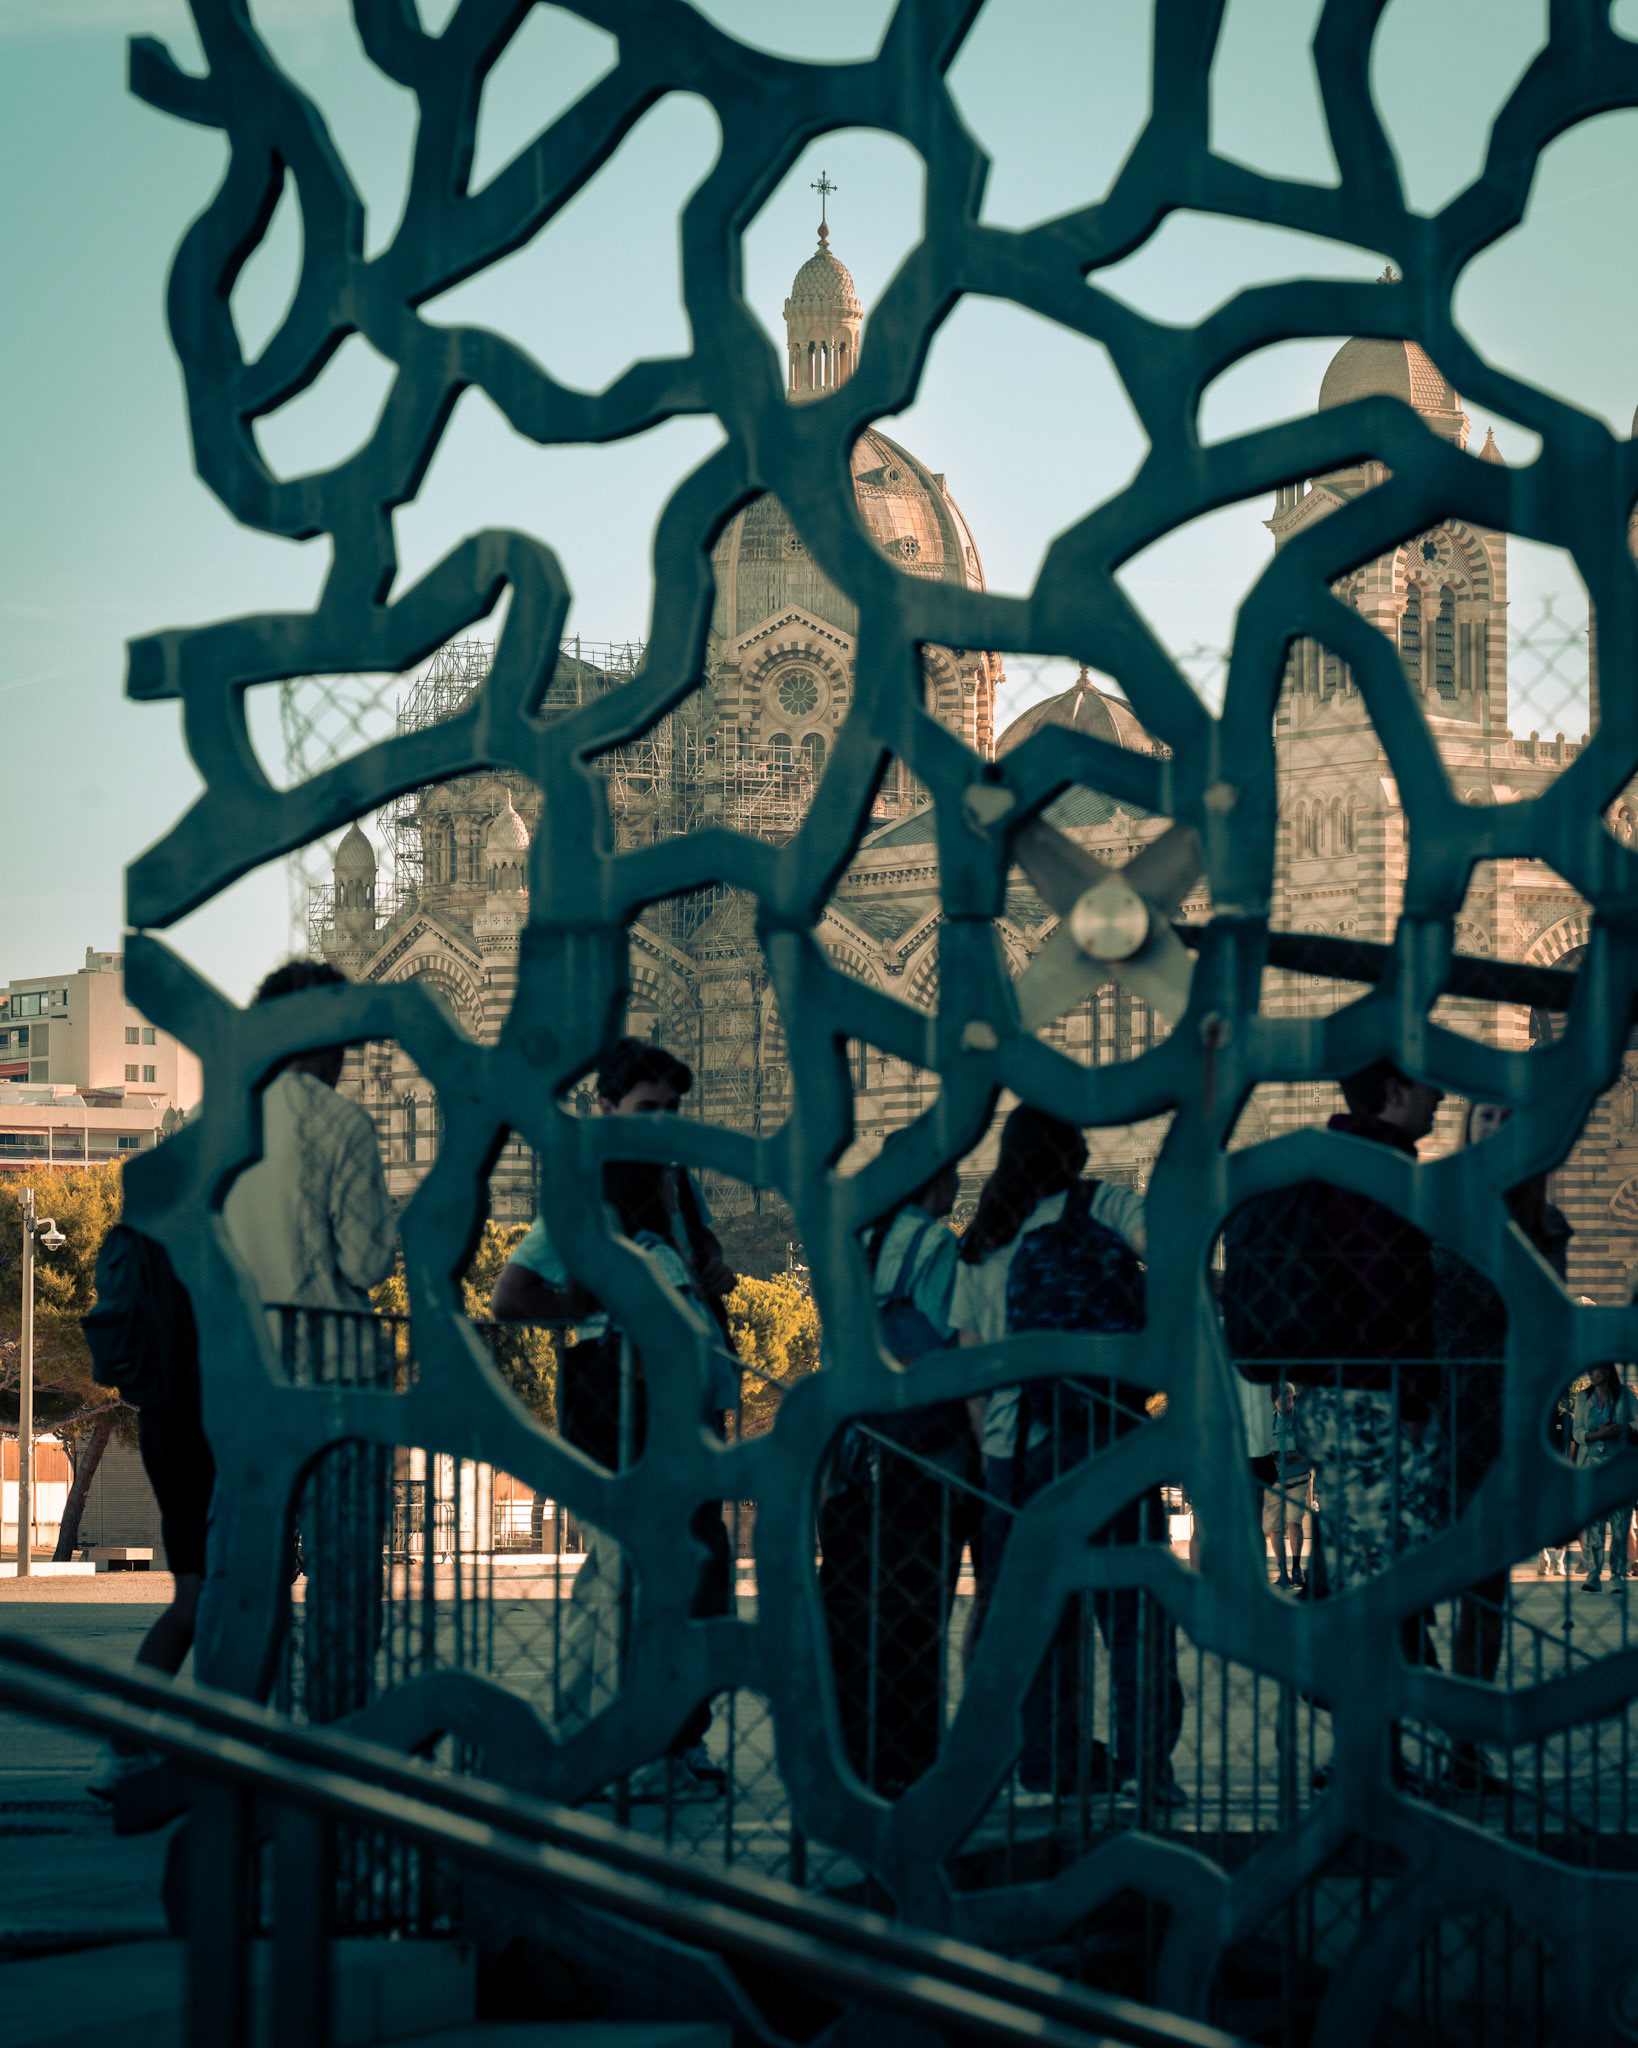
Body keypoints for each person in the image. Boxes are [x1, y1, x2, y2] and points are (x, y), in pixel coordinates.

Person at [490, 1039, 737, 1800]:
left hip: (678, 1405)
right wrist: (594, 1306)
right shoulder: (590, 1190)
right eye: (646, 1109)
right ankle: (636, 1745)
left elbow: (694, 1274)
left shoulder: (674, 1184)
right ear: (606, 1108)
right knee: (644, 1574)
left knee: (657, 1572)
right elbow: (514, 1292)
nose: (661, 1123)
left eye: (671, 1110)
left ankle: (611, 1734)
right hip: (616, 1404)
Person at [951, 1105, 1182, 1812]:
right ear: (1076, 1154)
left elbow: (971, 1371)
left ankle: (1051, 1759)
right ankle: (1149, 1762)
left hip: (1019, 1451)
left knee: (1038, 1615)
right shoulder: (1104, 1205)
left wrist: (1000, 1452)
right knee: (1136, 1609)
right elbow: (1166, 1248)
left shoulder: (983, 1244)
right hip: (1111, 1434)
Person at [206, 960, 397, 1717]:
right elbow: (367, 1260)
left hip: (243, 1372)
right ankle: (337, 1734)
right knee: (344, 1568)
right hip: (335, 1376)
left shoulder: (219, 1115)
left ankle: (237, 1724)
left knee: (244, 1562)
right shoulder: (336, 1121)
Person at [1223, 1057, 1445, 1599]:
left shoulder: (1323, 1161)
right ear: (1394, 1091)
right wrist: (1416, 1402)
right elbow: (1392, 1295)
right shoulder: (1379, 1172)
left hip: (1329, 1395)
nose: (1439, 1095)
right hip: (1375, 1400)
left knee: (1356, 1551)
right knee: (1381, 1569)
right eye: (1427, 1083)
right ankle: (1355, 1673)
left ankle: (1354, 1663)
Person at [818, 1164, 978, 1797]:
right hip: (922, 1458)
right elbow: (953, 1346)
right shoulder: (934, 1244)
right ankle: (909, 1760)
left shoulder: (855, 1248)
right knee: (914, 1614)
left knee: (854, 1613)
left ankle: (849, 1754)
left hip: (856, 1453)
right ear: (934, 1187)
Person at [1571, 1359, 1638, 1592]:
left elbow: (1637, 1421)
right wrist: (1597, 1434)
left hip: (1618, 1466)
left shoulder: (1626, 1396)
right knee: (1593, 1527)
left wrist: (1622, 1429)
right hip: (1590, 1467)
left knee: (1620, 1527)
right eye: (1588, 1369)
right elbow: (1577, 1431)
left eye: (1594, 1369)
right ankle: (1593, 1575)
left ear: (1607, 1372)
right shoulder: (1583, 1398)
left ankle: (1618, 1575)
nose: (1590, 1373)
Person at [1265, 1385, 1311, 1590]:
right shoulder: (1267, 1422)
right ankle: (1282, 1571)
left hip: (1298, 1479)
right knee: (1274, 1528)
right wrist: (1273, 1460)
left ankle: (1296, 1570)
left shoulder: (1303, 1421)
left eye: (1287, 1395)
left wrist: (1294, 1458)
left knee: (1294, 1521)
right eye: (1279, 1396)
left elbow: (1314, 1450)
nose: (1283, 1400)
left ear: (1293, 1397)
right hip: (1273, 1482)